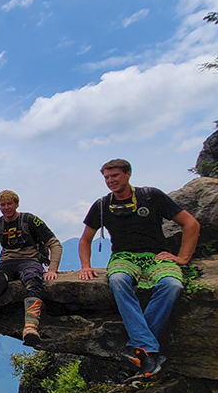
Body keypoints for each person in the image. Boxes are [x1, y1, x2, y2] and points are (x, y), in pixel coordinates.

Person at [78, 159, 200, 377]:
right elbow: (86, 239)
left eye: (115, 175)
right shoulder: (102, 206)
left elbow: (191, 223)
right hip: (123, 257)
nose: (110, 181)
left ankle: (140, 348)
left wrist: (183, 257)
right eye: (106, 177)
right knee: (118, 280)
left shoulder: (151, 196)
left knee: (172, 285)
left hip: (156, 256)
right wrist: (85, 265)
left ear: (128, 174)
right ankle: (148, 349)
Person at [0, 190, 62, 350]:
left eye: (10, 203)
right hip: (7, 262)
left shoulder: (30, 219)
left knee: (33, 280)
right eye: (3, 205)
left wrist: (52, 269)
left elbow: (54, 243)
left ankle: (30, 327)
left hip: (30, 260)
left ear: (16, 204)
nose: (6, 207)